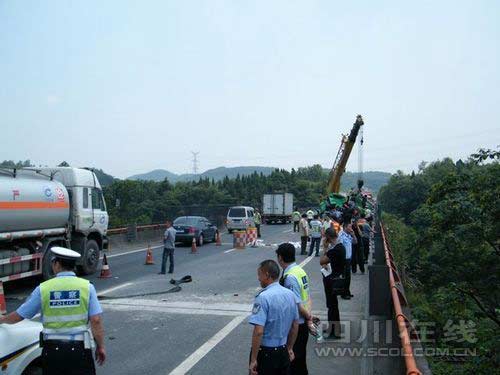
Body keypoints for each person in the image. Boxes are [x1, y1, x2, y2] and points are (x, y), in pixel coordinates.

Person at [0, 247, 106, 374]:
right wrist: (100, 347)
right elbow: (96, 320)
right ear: (73, 265)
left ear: (56, 264)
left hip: (52, 351)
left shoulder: (43, 289)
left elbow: (20, 315)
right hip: (80, 350)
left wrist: (2, 320)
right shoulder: (87, 287)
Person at [249, 260, 300, 375]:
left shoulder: (263, 297)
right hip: (283, 351)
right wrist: (290, 348)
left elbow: (258, 331)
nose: (258, 278)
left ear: (267, 275)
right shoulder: (290, 295)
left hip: (266, 353)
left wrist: (253, 359)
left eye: (259, 275)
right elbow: (295, 325)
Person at [276, 243, 315, 375]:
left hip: (296, 326)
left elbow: (296, 305)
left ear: (280, 258)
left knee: (293, 362)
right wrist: (309, 316)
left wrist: (308, 317)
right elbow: (308, 296)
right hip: (303, 322)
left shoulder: (290, 278)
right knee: (300, 360)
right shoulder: (300, 271)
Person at [320, 228, 346, 339]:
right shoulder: (340, 246)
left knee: (332, 306)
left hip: (332, 281)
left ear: (328, 237)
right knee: (333, 305)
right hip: (336, 279)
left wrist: (325, 247)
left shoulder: (335, 250)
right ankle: (334, 328)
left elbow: (322, 261)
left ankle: (334, 331)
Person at [339, 222, 355, 300]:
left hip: (349, 259)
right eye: (350, 227)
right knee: (345, 277)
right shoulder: (341, 235)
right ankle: (343, 293)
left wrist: (353, 235)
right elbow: (340, 247)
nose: (351, 228)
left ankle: (347, 291)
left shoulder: (348, 235)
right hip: (344, 259)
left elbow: (355, 242)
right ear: (345, 227)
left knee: (348, 277)